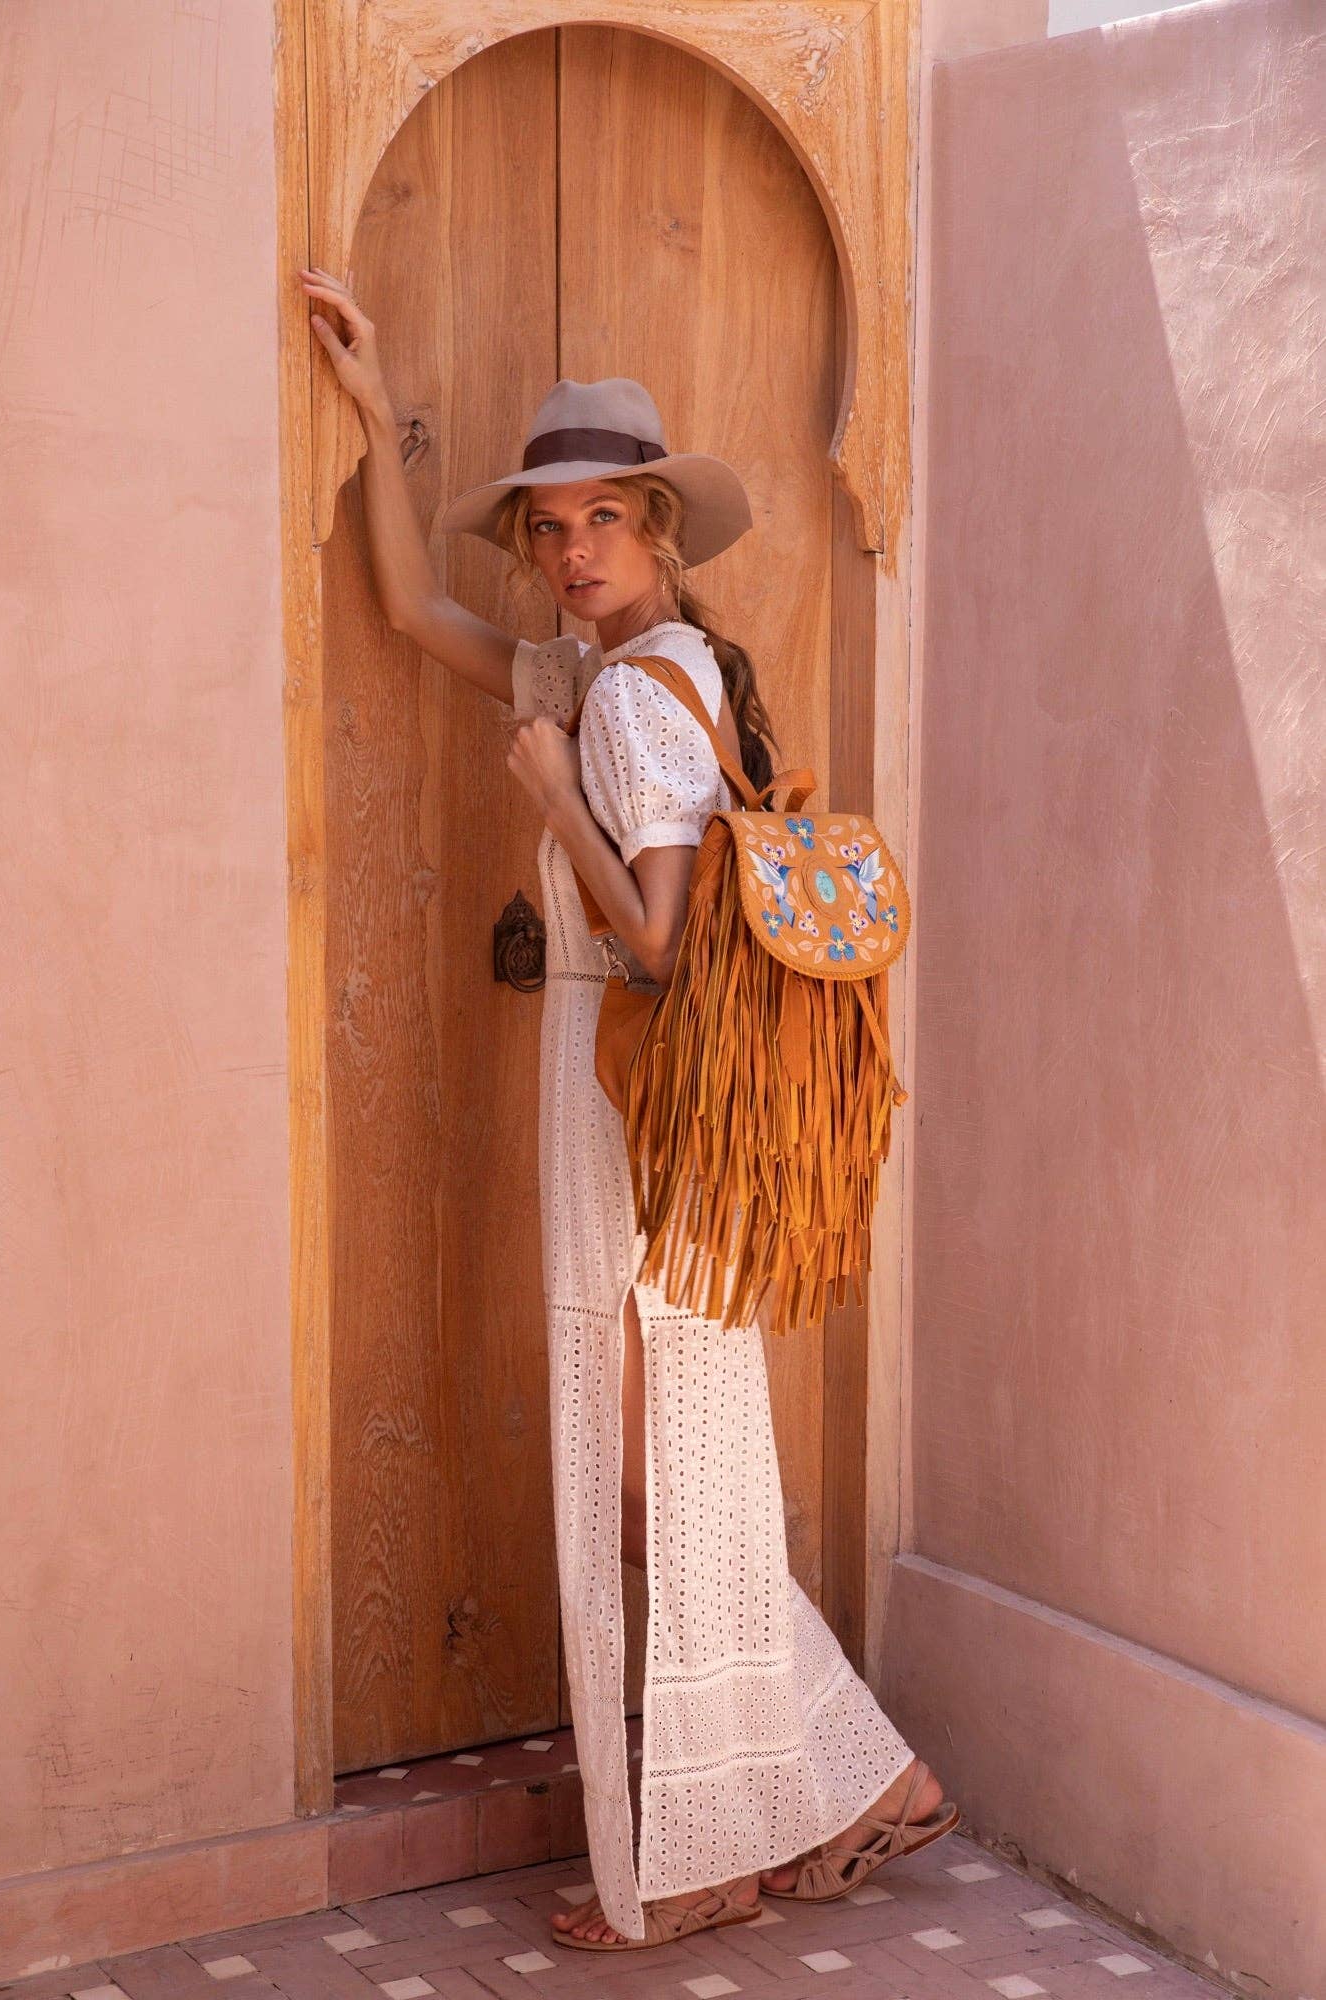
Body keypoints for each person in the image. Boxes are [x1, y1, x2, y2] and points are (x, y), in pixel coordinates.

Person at [301, 266, 960, 1953]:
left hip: (635, 1094)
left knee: (663, 1472)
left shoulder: (626, 697)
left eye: (604, 519)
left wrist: (545, 798)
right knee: (684, 1465)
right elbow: (406, 614)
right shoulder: (609, 667)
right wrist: (380, 420)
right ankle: (830, 1794)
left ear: (660, 530)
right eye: (549, 526)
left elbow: (658, 946)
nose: (572, 550)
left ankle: (710, 1849)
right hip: (640, 1109)